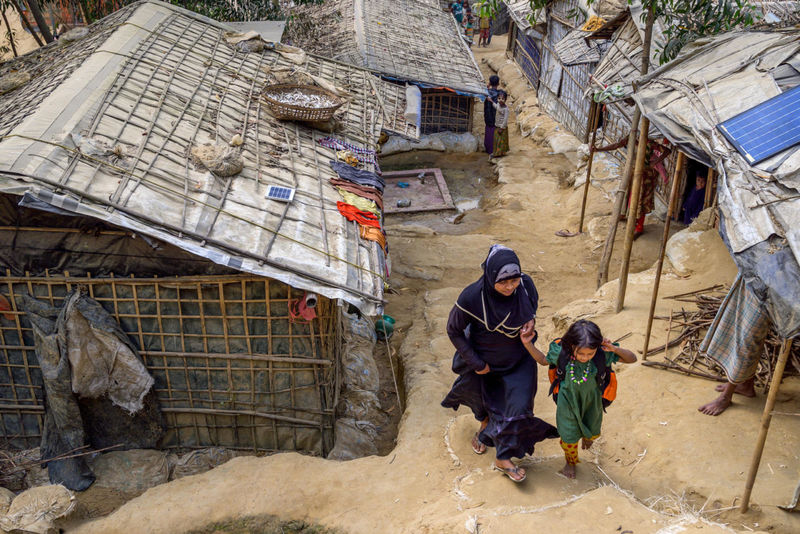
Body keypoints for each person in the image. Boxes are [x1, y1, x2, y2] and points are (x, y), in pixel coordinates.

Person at [442, 245, 558, 483]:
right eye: (503, 282)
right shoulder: (472, 297)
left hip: (520, 357)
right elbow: (453, 330)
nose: (509, 287)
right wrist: (475, 362)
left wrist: (530, 323)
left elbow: (530, 308)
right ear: (491, 275)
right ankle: (485, 425)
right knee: (484, 400)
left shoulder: (525, 285)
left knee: (519, 407)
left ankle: (504, 457)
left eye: (514, 281)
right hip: (485, 361)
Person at [527, 320, 637, 479]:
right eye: (580, 353)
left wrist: (614, 348)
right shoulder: (561, 353)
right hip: (567, 402)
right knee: (568, 435)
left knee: (592, 427)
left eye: (589, 354)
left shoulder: (602, 354)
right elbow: (543, 360)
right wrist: (528, 344)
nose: (585, 357)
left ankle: (587, 437)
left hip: (592, 401)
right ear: (571, 345)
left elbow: (631, 359)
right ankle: (570, 462)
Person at [698, 275, 771, 416]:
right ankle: (745, 384)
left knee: (748, 335)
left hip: (777, 284)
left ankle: (726, 396)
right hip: (759, 272)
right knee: (746, 326)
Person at [483, 75, 500, 155]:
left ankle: (488, 149)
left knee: (488, 131)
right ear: (498, 83)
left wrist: (488, 85)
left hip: (487, 115)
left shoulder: (486, 92)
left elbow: (483, 89)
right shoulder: (500, 93)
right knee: (494, 131)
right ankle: (494, 149)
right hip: (496, 116)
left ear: (490, 83)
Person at [491, 91, 509, 158]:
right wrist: (491, 102)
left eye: (502, 99)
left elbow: (505, 120)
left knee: (500, 141)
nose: (500, 100)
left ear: (505, 100)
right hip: (497, 126)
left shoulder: (506, 109)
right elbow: (496, 107)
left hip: (502, 128)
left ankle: (499, 153)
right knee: (496, 140)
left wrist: (502, 128)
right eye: (499, 98)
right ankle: (497, 153)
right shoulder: (498, 105)